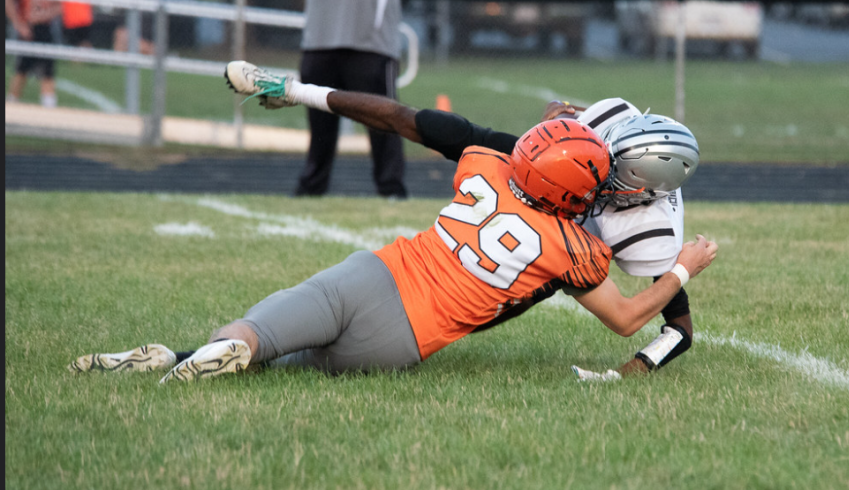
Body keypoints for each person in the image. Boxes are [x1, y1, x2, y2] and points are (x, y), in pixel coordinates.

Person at [70, 111, 718, 382]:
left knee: (266, 331)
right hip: (402, 341)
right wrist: (681, 270)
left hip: (373, 274)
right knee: (303, 366)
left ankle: (206, 349)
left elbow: (515, 144)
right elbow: (627, 319)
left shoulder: (485, 165)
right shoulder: (571, 247)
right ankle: (210, 356)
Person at [224, 61, 701, 381]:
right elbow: (673, 330)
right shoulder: (581, 154)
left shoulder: (641, 227)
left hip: (483, 261)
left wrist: (629, 371)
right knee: (427, 125)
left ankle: (232, 347)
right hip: (530, 215)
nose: (601, 151)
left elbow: (678, 328)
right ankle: (295, 90)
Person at [292, 0, 410, 199]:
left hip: (369, 42)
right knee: (319, 120)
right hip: (320, 39)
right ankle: (312, 187)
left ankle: (391, 189)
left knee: (382, 118)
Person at [5, 0, 60, 108]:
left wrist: (45, 15)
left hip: (44, 27)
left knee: (47, 72)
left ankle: (49, 111)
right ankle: (11, 106)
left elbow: (60, 4)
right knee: (21, 70)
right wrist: (19, 23)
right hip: (27, 29)